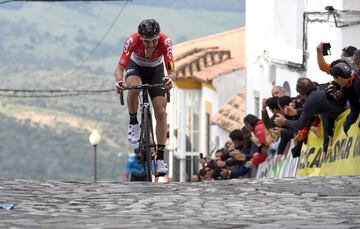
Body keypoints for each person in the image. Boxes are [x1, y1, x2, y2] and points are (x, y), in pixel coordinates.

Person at [115, 19, 175, 176]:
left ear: (158, 37)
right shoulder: (132, 40)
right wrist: (120, 81)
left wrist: (170, 79)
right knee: (134, 87)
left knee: (161, 113)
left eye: (153, 41)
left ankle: (160, 158)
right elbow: (120, 68)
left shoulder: (165, 42)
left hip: (156, 71)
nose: (150, 45)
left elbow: (171, 69)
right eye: (146, 42)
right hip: (135, 67)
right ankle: (134, 121)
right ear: (140, 38)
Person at [274, 77, 345, 152]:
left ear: (301, 94)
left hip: (340, 118)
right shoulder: (319, 88)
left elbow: (299, 125)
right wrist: (295, 112)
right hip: (341, 114)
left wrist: (285, 121)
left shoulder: (311, 101)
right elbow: (314, 110)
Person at [328, 60, 360, 134]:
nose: (335, 81)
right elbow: (355, 110)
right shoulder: (347, 86)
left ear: (339, 78)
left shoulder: (357, 83)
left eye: (334, 79)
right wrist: (346, 124)